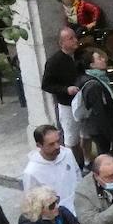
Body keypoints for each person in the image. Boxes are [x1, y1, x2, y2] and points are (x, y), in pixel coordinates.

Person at [40, 26, 86, 168]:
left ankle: (88, 160)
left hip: (84, 100)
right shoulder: (54, 62)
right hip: (67, 104)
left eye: (75, 37)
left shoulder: (80, 55)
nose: (75, 40)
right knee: (72, 137)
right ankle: (77, 165)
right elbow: (46, 85)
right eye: (70, 38)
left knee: (87, 133)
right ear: (62, 43)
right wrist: (66, 89)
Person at [21, 124, 81, 214]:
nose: (57, 146)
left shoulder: (67, 153)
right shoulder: (31, 172)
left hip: (79, 206)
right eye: (51, 144)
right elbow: (32, 202)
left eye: (58, 141)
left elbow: (77, 174)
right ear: (39, 145)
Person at [74, 47, 113, 160]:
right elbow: (99, 113)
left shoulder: (99, 78)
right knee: (107, 156)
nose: (103, 60)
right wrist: (110, 134)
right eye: (99, 58)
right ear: (92, 65)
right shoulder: (93, 85)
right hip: (100, 129)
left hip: (101, 127)